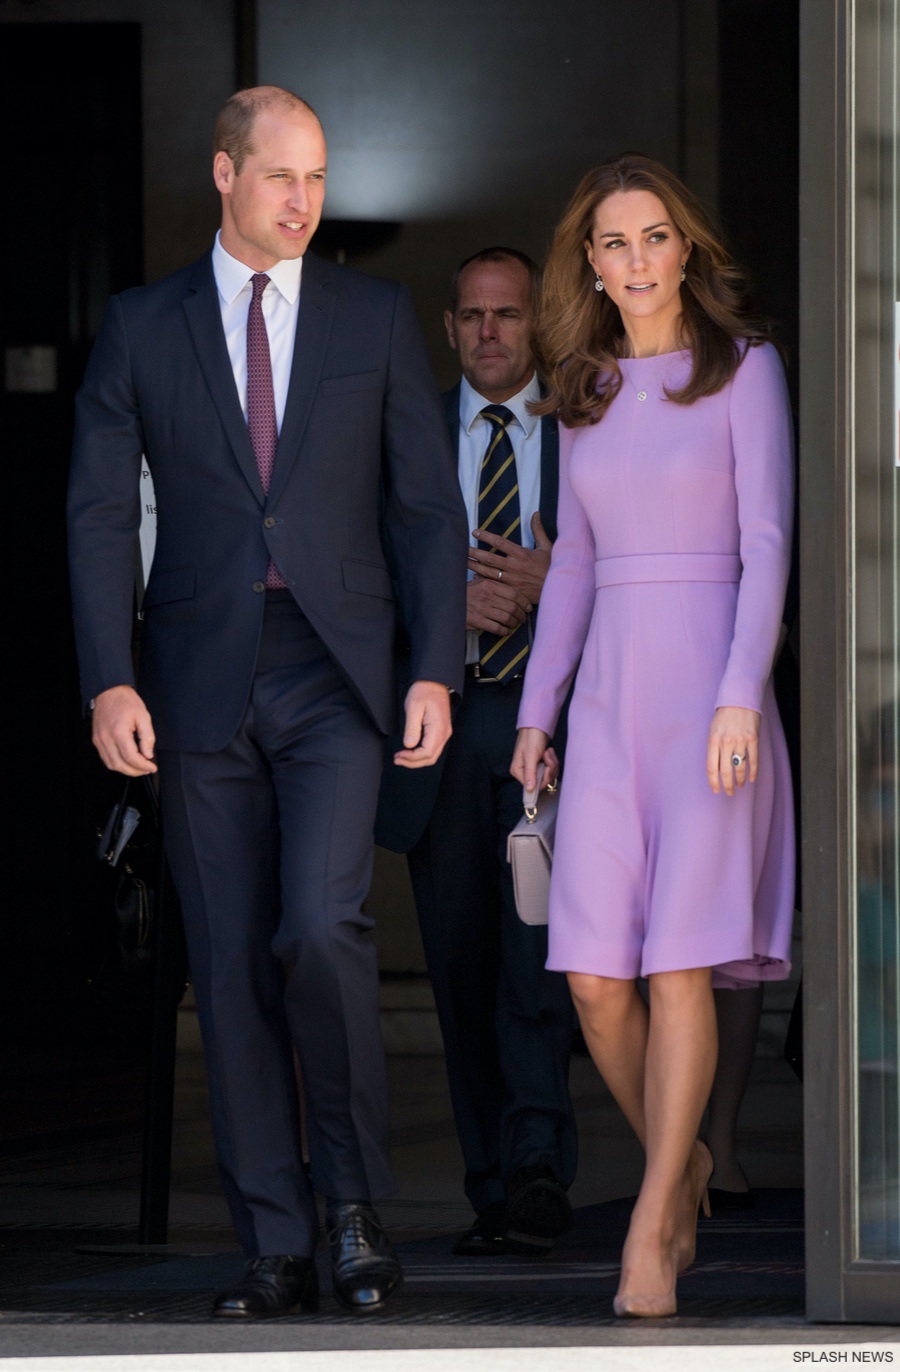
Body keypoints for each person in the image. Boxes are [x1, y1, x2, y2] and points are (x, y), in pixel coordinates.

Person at [67, 86, 468, 1318]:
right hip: (190, 679)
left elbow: (424, 509)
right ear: (225, 173)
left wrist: (435, 668)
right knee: (229, 963)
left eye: (320, 178)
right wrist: (107, 676)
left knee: (319, 927)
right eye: (283, 176)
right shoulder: (141, 326)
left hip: (335, 672)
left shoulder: (375, 315)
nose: (306, 200)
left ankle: (351, 1206)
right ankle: (275, 1237)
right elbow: (93, 512)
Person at [511, 153, 795, 1317]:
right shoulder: (576, 386)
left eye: (655, 238)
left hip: (713, 700)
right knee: (591, 977)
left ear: (689, 247)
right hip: (610, 703)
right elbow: (571, 561)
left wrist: (742, 689)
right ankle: (680, 1170)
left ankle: (648, 1227)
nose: (635, 261)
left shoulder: (745, 368)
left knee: (679, 964)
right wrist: (536, 713)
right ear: (590, 258)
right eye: (613, 243)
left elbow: (769, 539)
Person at [377, 248, 576, 1256]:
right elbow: (358, 570)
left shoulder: (583, 428)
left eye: (508, 314)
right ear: (449, 331)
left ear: (537, 324)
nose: (491, 331)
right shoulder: (403, 434)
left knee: (534, 954)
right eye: (473, 316)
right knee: (458, 959)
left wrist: (555, 579)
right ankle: (491, 1183)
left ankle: (540, 1165)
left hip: (545, 728)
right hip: (442, 721)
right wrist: (443, 607)